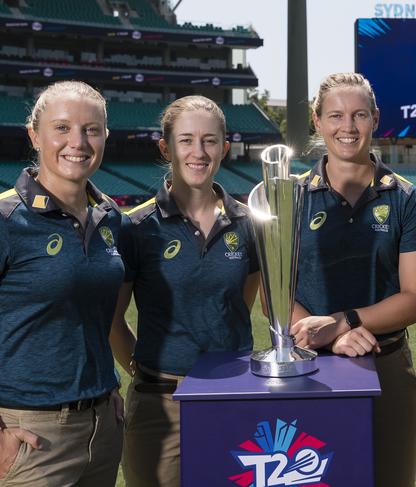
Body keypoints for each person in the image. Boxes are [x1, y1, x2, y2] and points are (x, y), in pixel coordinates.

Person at [289, 73, 416, 487]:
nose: (347, 127)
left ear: (376, 119)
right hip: (309, 368)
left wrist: (342, 321)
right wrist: (330, 339)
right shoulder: (292, 195)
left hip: (386, 366)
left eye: (359, 115)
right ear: (317, 120)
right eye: (335, 115)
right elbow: (274, 292)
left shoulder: (405, 197)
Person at [110, 95, 259, 487]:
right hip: (161, 404)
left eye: (210, 141)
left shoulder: (248, 223)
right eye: (186, 140)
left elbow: (239, 303)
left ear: (224, 148)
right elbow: (113, 322)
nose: (199, 152)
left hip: (234, 395)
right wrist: (146, 374)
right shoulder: (137, 227)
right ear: (165, 147)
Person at [0, 81, 124, 486]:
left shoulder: (109, 218)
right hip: (32, 436)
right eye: (62, 128)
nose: (78, 142)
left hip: (103, 426)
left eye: (91, 129)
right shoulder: (6, 220)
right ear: (35, 134)